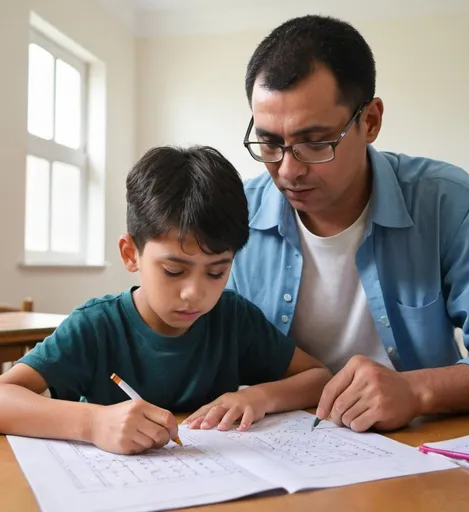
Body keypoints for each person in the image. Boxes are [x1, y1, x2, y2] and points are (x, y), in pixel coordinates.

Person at [228, 14, 469, 433]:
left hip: (419, 445)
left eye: (315, 142)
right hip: (278, 450)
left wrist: (416, 391)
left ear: (371, 121)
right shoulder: (236, 215)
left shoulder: (448, 202)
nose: (287, 170)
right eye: (270, 143)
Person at [0, 145, 331, 454]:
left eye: (216, 273)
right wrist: (92, 423)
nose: (194, 293)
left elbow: (318, 377)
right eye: (174, 271)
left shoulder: (233, 318)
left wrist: (260, 396)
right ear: (131, 254)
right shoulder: (95, 327)